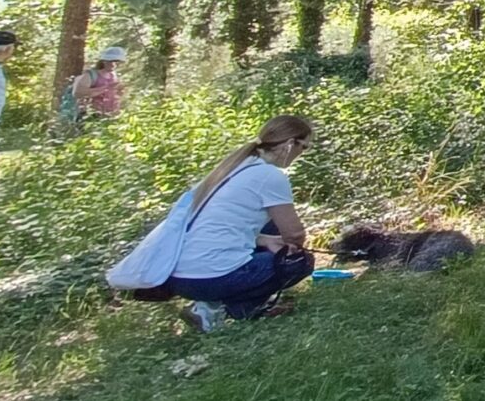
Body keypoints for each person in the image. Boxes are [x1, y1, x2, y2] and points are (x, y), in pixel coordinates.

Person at [162, 115, 316, 331]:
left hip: (178, 277)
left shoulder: (235, 168)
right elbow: (294, 234)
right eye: (304, 147)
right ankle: (226, 310)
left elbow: (222, 227)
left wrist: (266, 240)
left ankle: (216, 307)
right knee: (300, 262)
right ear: (290, 144)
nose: (302, 154)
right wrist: (293, 247)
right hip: (207, 278)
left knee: (271, 227)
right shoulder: (270, 175)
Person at [64, 45, 127, 128]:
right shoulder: (90, 75)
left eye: (116, 62)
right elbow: (77, 93)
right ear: (104, 61)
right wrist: (105, 88)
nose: (113, 64)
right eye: (110, 61)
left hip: (108, 115)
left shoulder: (113, 75)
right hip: (90, 116)